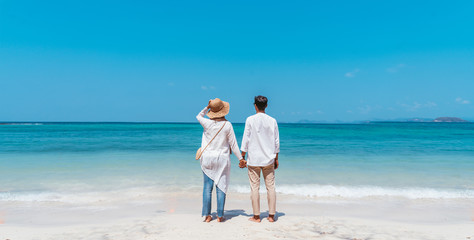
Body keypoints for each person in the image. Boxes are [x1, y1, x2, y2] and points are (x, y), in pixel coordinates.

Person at [196, 98, 246, 223]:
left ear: (212, 111)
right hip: (222, 159)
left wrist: (207, 107)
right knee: (221, 186)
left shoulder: (206, 123)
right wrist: (241, 159)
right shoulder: (227, 125)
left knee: (207, 187)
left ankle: (207, 216)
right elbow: (233, 145)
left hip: (207, 158)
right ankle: (219, 216)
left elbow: (198, 115)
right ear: (223, 110)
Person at [240, 95, 280, 223]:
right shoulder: (272, 120)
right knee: (271, 187)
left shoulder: (250, 120)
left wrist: (242, 156)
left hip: (254, 159)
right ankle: (271, 216)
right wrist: (276, 158)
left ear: (255, 105)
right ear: (266, 106)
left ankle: (256, 216)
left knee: (254, 188)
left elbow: (245, 139)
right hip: (269, 159)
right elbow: (276, 142)